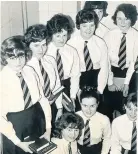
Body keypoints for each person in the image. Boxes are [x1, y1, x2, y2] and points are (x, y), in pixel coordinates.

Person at [0, 36, 51, 154]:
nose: (18, 62)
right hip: (14, 127)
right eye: (12, 58)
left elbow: (42, 99)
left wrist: (48, 128)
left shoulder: (30, 71)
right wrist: (17, 142)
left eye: (21, 57)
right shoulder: (1, 80)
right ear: (5, 58)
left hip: (37, 120)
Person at [104, 3, 138, 121]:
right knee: (109, 110)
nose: (122, 22)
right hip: (111, 74)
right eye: (119, 18)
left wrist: (126, 83)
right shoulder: (109, 35)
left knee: (126, 109)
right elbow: (106, 61)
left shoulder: (136, 36)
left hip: (130, 76)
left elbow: (134, 62)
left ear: (132, 19)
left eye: (126, 19)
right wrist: (109, 82)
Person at [24, 24, 63, 123]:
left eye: (44, 44)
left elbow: (57, 85)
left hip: (52, 107)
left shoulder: (50, 60)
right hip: (34, 112)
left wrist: (59, 108)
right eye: (36, 45)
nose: (41, 50)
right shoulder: (24, 66)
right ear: (28, 45)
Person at [68, 9, 108, 97]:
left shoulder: (100, 43)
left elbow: (104, 68)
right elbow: (71, 72)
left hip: (96, 81)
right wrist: (75, 93)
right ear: (79, 26)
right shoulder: (71, 44)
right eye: (84, 26)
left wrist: (100, 90)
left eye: (92, 25)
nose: (88, 29)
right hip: (77, 81)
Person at [46, 14, 81, 111]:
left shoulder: (72, 51)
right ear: (51, 35)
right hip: (50, 88)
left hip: (66, 87)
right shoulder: (44, 51)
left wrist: (73, 96)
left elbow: (75, 75)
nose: (62, 39)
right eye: (58, 36)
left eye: (64, 35)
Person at [76, 86, 111, 154]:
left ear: (97, 104)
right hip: (77, 148)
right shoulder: (75, 117)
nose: (88, 110)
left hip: (97, 149)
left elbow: (107, 138)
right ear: (80, 103)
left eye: (92, 106)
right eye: (85, 106)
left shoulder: (104, 120)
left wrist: (104, 153)